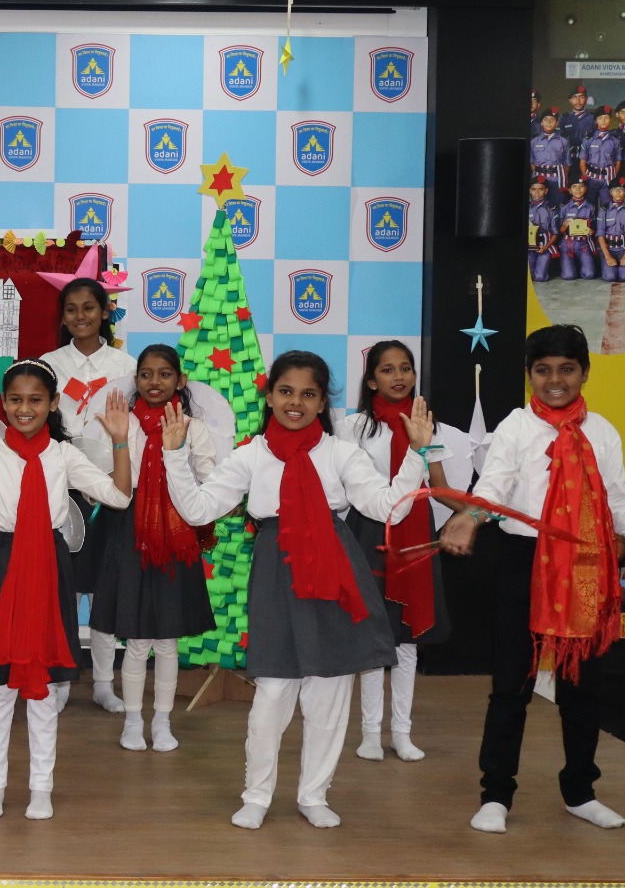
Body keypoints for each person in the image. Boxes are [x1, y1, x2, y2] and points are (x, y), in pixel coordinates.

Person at [438, 324, 625, 834]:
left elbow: (622, 512)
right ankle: (496, 795)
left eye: (567, 370)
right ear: (529, 375)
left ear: (585, 373)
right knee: (512, 685)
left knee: (582, 687)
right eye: (543, 370)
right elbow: (494, 490)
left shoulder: (603, 432)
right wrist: (470, 518)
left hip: (584, 567)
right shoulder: (515, 427)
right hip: (525, 563)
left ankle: (580, 792)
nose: (555, 381)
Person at [160, 350, 434, 830]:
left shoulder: (340, 452)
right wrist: (175, 454)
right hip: (276, 571)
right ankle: (256, 794)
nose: (296, 403)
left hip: (334, 569)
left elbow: (388, 507)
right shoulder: (251, 455)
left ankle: (314, 794)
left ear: (322, 402)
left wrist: (416, 454)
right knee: (272, 691)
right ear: (269, 396)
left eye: (309, 394)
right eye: (285, 391)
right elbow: (198, 510)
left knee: (329, 690)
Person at [0, 359, 132, 820]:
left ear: (53, 403)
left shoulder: (64, 455)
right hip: (1, 568)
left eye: (35, 400)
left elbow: (119, 496)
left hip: (49, 568)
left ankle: (41, 788)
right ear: (3, 403)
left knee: (45, 688)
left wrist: (120, 442)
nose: (24, 408)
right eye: (15, 400)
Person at [87, 345, 218, 753]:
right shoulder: (121, 422)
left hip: (176, 537)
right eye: (145, 374)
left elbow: (209, 484)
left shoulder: (193, 427)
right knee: (137, 639)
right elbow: (105, 483)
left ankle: (162, 721)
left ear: (180, 381)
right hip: (131, 533)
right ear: (137, 380)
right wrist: (117, 441)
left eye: (164, 374)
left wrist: (177, 455)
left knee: (166, 641)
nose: (154, 382)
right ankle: (132, 721)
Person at [343, 341, 466, 763]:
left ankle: (402, 732)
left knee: (408, 639)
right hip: (369, 532)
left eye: (406, 368)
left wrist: (476, 512)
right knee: (374, 637)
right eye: (388, 369)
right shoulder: (353, 427)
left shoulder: (426, 424)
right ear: (371, 380)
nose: (399, 377)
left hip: (415, 534)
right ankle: (369, 734)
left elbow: (438, 486)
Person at [39, 276, 138, 712]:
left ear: (105, 312)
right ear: (62, 316)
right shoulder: (48, 364)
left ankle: (103, 681)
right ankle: (60, 679)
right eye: (71, 309)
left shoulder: (126, 366)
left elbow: (132, 430)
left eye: (89, 308)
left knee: (104, 589)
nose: (80, 316)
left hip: (109, 489)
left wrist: (110, 479)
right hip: (61, 490)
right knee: (64, 589)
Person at [579, 106, 623, 207]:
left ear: (610, 119)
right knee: (590, 206)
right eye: (600, 118)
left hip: (608, 178)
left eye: (606, 118)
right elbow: (582, 162)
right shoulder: (588, 139)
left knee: (607, 206)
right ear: (596, 120)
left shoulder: (615, 140)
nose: (603, 121)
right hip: (591, 177)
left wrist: (612, 178)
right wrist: (586, 178)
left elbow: (618, 162)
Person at [557, 180, 599, 280]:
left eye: (581, 186)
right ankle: (570, 268)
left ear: (585, 189)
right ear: (569, 190)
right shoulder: (563, 207)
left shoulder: (591, 207)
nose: (578, 189)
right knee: (568, 276)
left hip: (583, 243)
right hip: (567, 243)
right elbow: (559, 231)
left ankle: (582, 267)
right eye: (574, 187)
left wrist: (591, 231)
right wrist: (565, 225)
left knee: (589, 275)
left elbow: (595, 228)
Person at [597, 181, 625, 283]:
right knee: (610, 277)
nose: (618, 193)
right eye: (615, 190)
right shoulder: (604, 209)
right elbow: (600, 234)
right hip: (608, 248)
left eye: (621, 190)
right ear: (610, 192)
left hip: (624, 247)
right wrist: (607, 256)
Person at [533, 109, 572, 203]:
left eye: (552, 120)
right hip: (540, 177)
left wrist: (563, 178)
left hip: (557, 178)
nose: (549, 122)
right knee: (540, 202)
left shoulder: (564, 141)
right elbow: (532, 162)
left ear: (557, 123)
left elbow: (567, 164)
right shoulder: (534, 141)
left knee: (558, 202)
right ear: (541, 123)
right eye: (546, 119)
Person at [529, 179, 559, 284]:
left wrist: (546, 247)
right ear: (529, 190)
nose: (537, 192)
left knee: (540, 277)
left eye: (540, 189)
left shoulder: (551, 208)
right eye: (534, 189)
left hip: (545, 245)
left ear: (546, 191)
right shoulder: (526, 207)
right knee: (528, 277)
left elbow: (555, 233)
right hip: (528, 247)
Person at [559, 84, 595, 152]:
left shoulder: (592, 118)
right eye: (574, 97)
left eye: (581, 97)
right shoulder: (563, 119)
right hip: (568, 155)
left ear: (586, 99)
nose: (578, 101)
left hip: (587, 155)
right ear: (570, 100)